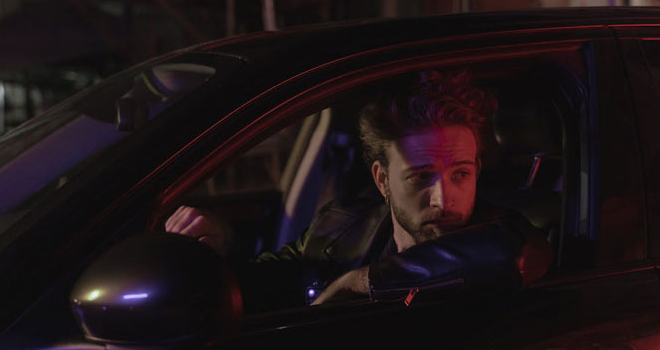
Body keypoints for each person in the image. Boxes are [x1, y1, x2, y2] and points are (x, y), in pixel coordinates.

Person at [165, 70, 552, 308]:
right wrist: (215, 252)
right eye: (420, 177)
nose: (443, 198)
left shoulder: (504, 238)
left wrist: (356, 284)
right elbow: (264, 287)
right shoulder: (338, 226)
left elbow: (511, 250)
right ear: (382, 179)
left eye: (461, 174)